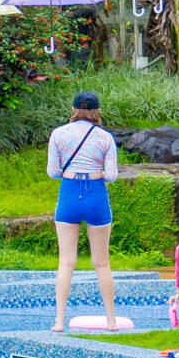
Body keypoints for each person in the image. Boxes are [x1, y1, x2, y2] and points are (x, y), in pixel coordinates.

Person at [47, 90, 119, 333]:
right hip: (96, 195)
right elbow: (111, 176)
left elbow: (53, 171)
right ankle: (111, 321)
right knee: (102, 263)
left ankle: (59, 321)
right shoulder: (105, 138)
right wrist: (94, 170)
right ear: (96, 111)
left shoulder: (58, 134)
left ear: (74, 109)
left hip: (68, 194)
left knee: (66, 263)